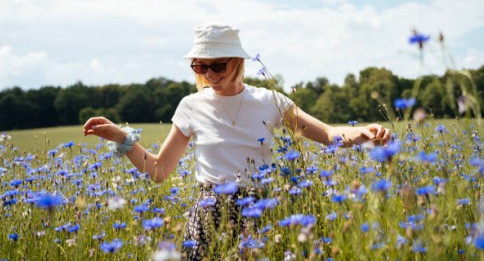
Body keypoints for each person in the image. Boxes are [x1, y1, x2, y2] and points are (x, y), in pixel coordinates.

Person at [83, 22, 391, 260]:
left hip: (264, 210)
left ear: (238, 62)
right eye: (201, 66)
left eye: (218, 65)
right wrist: (122, 138)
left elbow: (325, 134)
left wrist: (362, 133)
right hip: (208, 213)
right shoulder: (191, 105)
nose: (210, 74)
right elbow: (160, 170)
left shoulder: (269, 100)